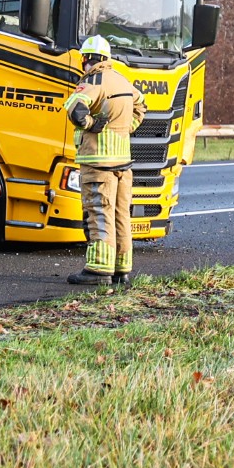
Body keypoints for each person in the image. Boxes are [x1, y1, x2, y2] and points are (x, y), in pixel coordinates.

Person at [61, 35, 146, 286]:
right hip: (123, 162)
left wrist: (91, 124)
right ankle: (122, 269)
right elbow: (142, 106)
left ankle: (98, 270)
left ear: (87, 59)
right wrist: (126, 128)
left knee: (98, 212)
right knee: (121, 215)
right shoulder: (123, 81)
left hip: (98, 163)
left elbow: (75, 109)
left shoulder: (92, 81)